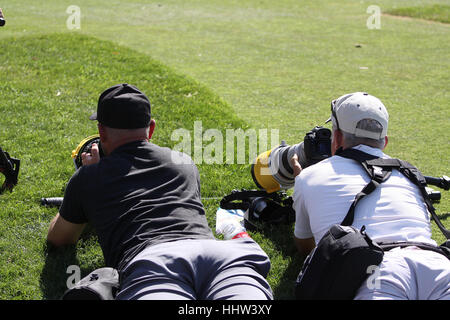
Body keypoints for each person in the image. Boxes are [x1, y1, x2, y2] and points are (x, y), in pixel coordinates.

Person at [47, 83, 273, 300]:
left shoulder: (89, 177)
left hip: (154, 263)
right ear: (151, 128)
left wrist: (86, 185)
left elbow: (59, 239)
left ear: (101, 132)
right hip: (221, 256)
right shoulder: (184, 161)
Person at [291, 92, 450, 300]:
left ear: (337, 137)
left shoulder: (308, 177)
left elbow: (306, 246)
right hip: (438, 263)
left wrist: (302, 185)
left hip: (378, 269)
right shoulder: (410, 173)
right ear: (384, 142)